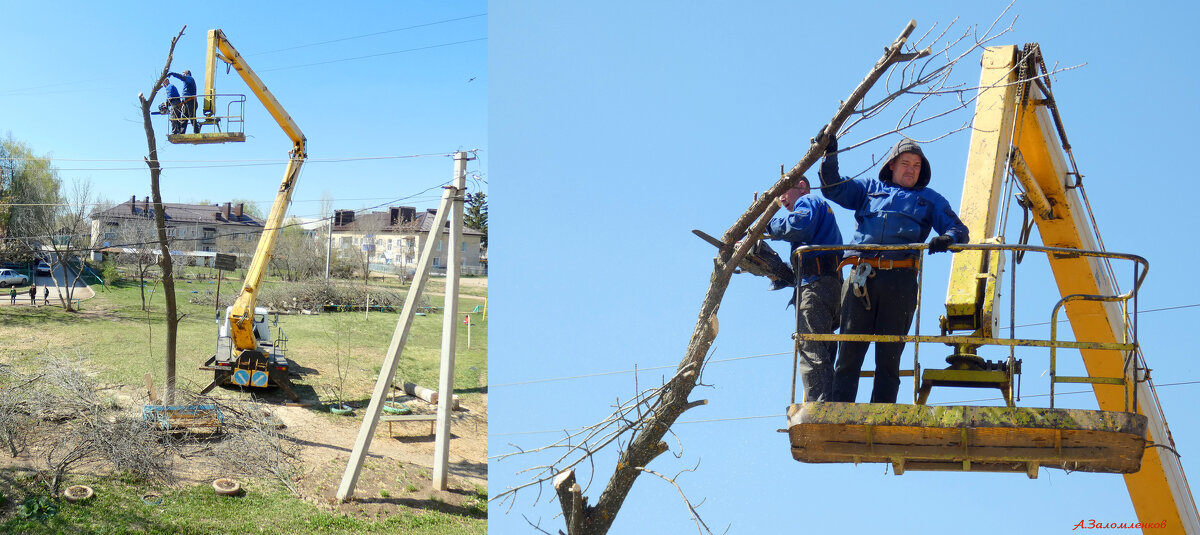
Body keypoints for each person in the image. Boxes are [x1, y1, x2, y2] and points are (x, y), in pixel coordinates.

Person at [817, 133, 969, 403]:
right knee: (849, 351)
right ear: (892, 165)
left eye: (917, 165)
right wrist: (828, 154)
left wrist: (948, 238)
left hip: (900, 279)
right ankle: (840, 409)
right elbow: (834, 188)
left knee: (889, 355)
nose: (911, 169)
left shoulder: (929, 199)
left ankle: (881, 413)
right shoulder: (868, 189)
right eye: (905, 163)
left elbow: (958, 229)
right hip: (861, 278)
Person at [765, 176, 844, 402]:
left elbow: (798, 225)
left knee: (811, 346)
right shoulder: (822, 213)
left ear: (801, 185)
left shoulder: (808, 200)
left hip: (816, 286)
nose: (781, 199)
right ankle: (829, 402)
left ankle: (819, 407)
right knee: (823, 348)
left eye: (783, 191)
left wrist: (767, 226)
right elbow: (812, 255)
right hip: (830, 284)